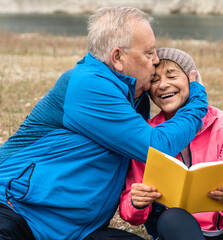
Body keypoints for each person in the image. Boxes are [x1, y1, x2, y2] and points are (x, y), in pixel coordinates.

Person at [0, 8, 208, 240]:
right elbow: (156, 147)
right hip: (17, 211)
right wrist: (197, 100)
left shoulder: (133, 95)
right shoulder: (88, 84)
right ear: (117, 57)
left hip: (76, 231)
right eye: (149, 53)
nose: (156, 60)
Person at [119, 48, 223, 240]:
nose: (163, 85)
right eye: (155, 80)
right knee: (173, 217)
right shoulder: (147, 135)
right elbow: (128, 212)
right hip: (179, 232)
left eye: (172, 75)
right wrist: (137, 202)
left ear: (192, 81)